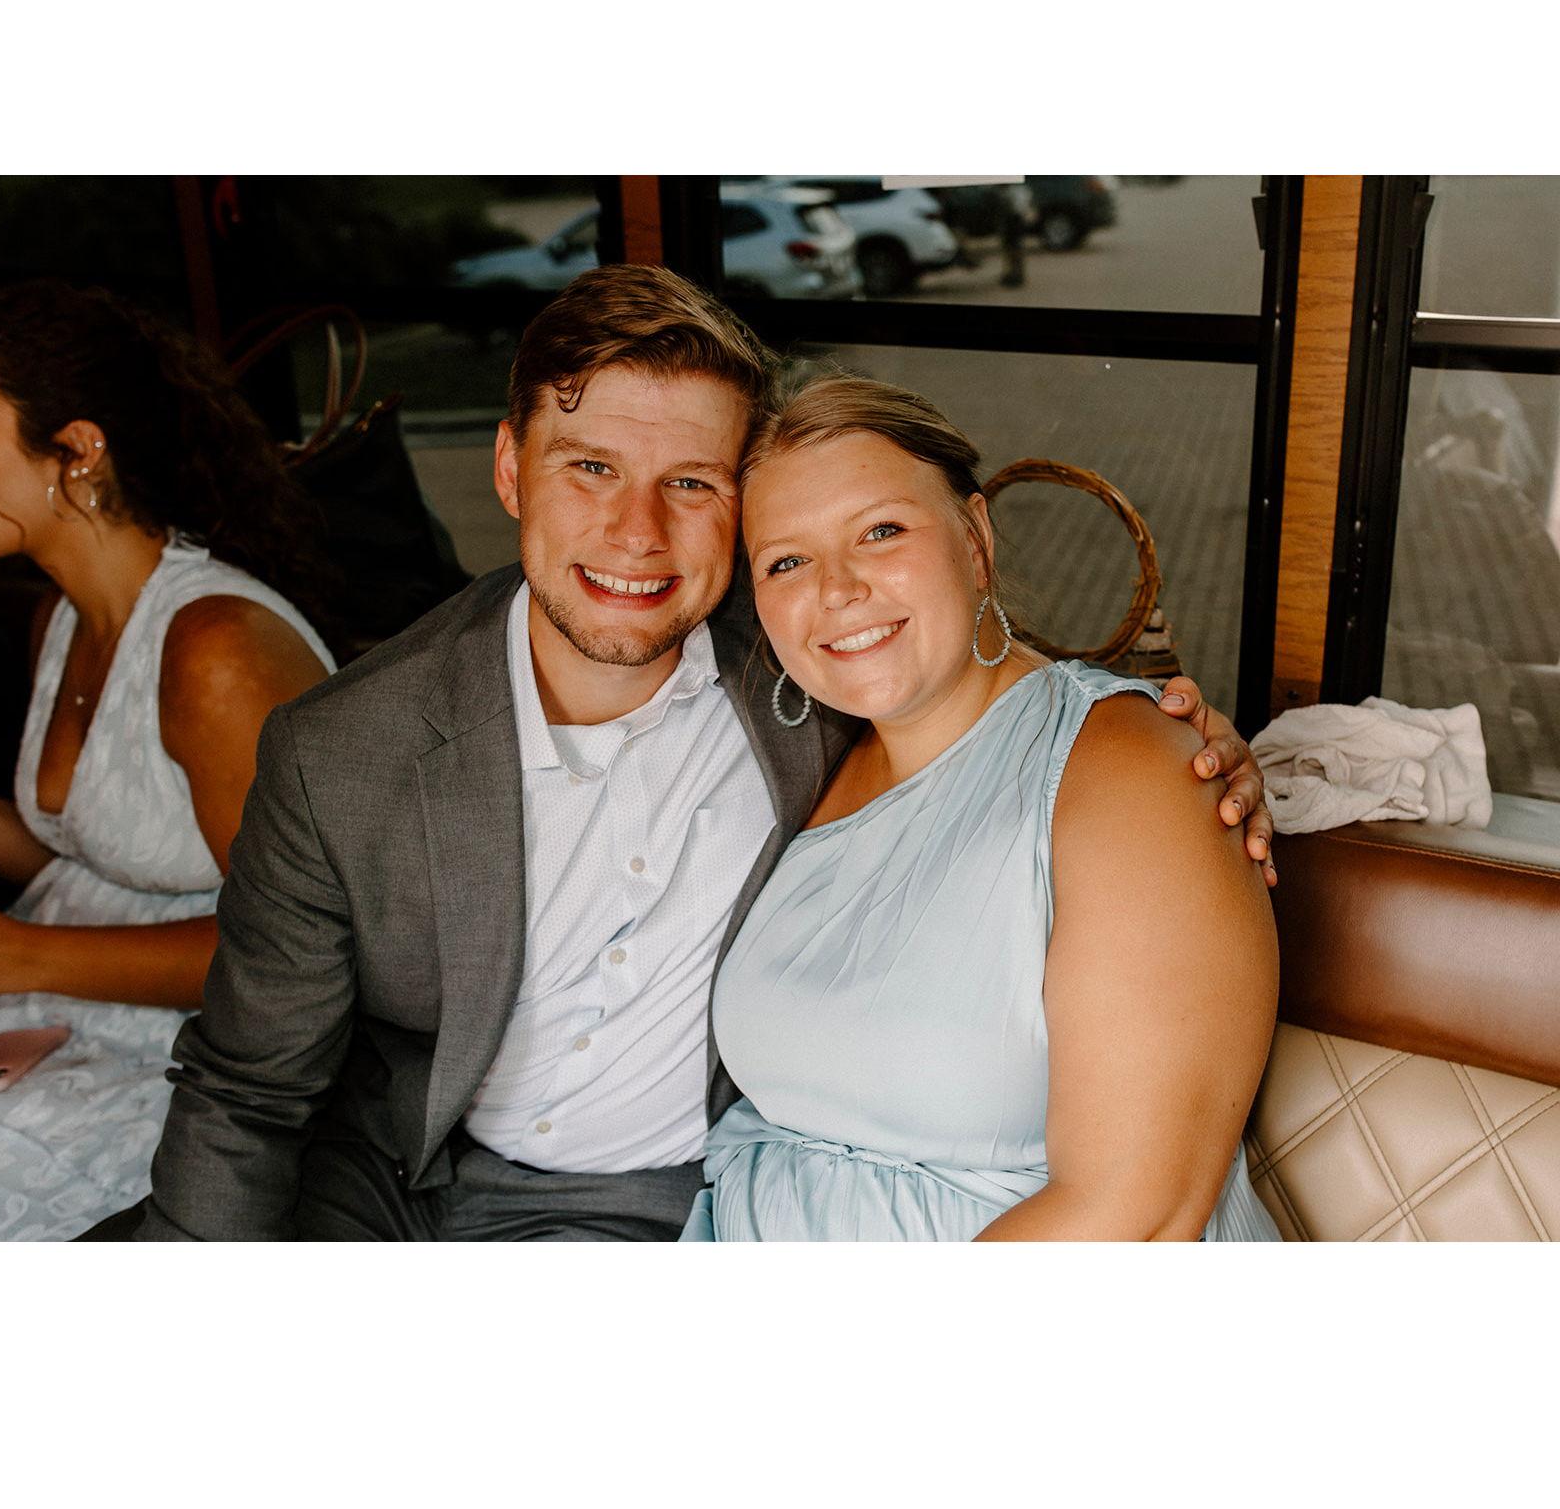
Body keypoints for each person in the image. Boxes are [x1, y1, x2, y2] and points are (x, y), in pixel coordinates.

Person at [97, 264, 1273, 1242]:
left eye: (692, 484)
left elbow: (974, 691)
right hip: (396, 1174)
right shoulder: (342, 749)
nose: (635, 533)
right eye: (590, 467)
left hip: (646, 1213)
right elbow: (246, 1090)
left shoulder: (805, 681)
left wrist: (1170, 751)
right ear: (508, 469)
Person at [684, 374, 1281, 1241]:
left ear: (975, 542)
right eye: (786, 561)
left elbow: (1138, 1213)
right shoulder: (808, 760)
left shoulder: (1128, 771)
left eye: (880, 531)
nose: (837, 588)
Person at [0, 281, 336, 1240]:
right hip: (36, 1019)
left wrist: (11, 953)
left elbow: (301, 955)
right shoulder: (62, 617)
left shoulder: (216, 650)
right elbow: (99, 861)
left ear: (77, 451)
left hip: (183, 1058)